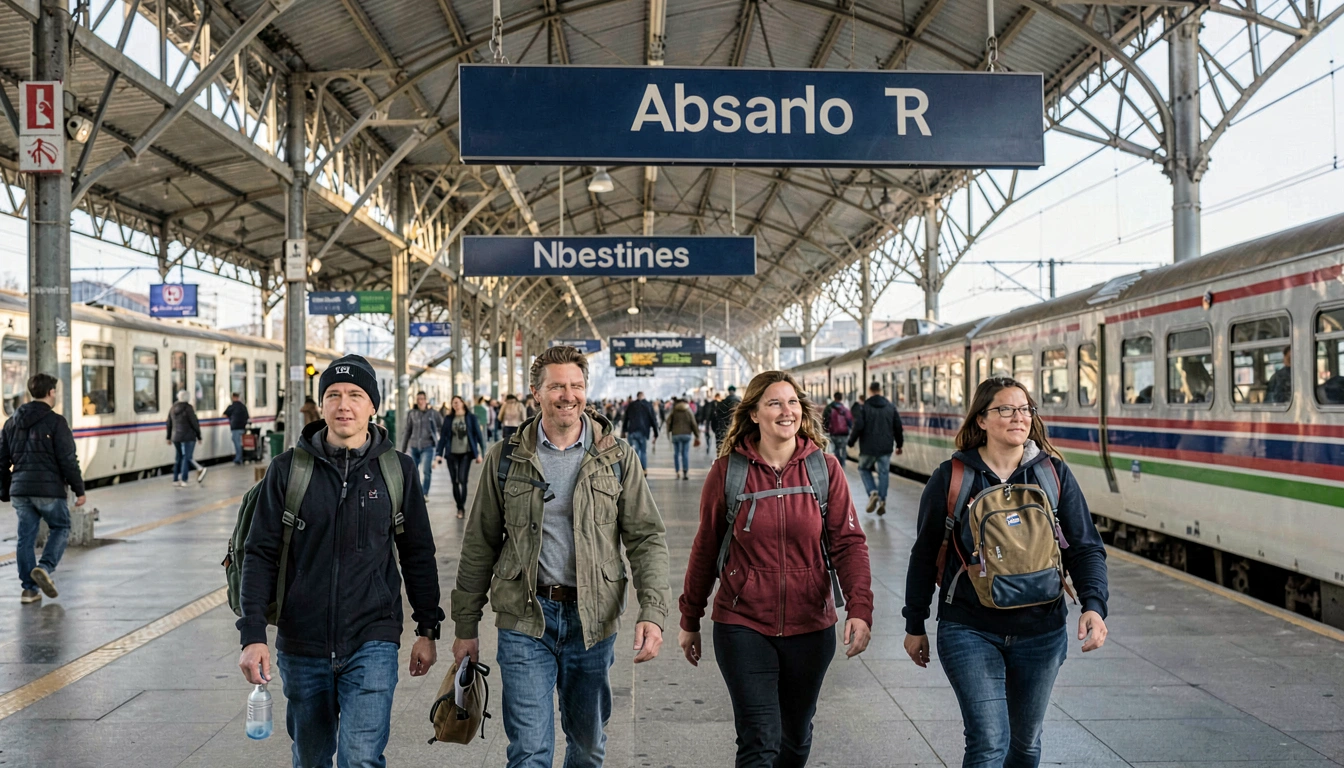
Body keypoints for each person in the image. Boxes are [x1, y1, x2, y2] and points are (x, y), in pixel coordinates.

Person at [452, 345, 669, 768]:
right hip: (524, 618)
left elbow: (646, 538)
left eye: (576, 385)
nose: (567, 395)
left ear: (586, 390)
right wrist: (466, 626)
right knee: (529, 749)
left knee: (587, 746)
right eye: (556, 386)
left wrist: (653, 611)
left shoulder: (617, 457)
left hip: (593, 619)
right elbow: (479, 544)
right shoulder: (505, 458)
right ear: (537, 392)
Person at [237, 354, 443, 768]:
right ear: (322, 404)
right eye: (333, 394)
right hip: (302, 642)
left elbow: (417, 552)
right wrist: (253, 634)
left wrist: (427, 627)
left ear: (373, 406)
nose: (343, 404)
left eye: (355, 394)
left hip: (373, 637)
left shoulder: (397, 470)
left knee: (360, 758)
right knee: (311, 759)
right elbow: (258, 554)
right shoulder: (286, 470)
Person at [902, 376, 1109, 768]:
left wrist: (1094, 605)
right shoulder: (952, 477)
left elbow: (1086, 548)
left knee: (1026, 744)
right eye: (1005, 409)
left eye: (1025, 409)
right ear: (981, 419)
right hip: (969, 627)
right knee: (988, 742)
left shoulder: (1053, 474)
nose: (1019, 417)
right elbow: (924, 553)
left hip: (1041, 631)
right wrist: (915, 623)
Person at [679, 371, 873, 768]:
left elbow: (848, 544)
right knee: (759, 738)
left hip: (811, 624)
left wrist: (859, 608)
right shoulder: (728, 472)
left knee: (795, 737)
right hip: (743, 623)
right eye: (774, 403)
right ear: (753, 414)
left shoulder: (824, 470)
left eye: (793, 403)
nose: (787, 411)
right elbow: (706, 547)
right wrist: (690, 617)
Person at [0, 373, 86, 604]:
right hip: (48, 489)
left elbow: (1, 460)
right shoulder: (57, 422)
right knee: (61, 525)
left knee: (25, 537)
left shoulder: (11, 423)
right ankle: (45, 567)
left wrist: (5, 489)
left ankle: (29, 590)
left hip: (20, 489)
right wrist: (79, 490)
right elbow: (68, 459)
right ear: (51, 393)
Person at [848, 381, 903, 516]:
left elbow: (858, 426)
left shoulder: (865, 407)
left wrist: (851, 441)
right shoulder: (890, 407)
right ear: (880, 390)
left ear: (869, 390)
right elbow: (898, 427)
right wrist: (899, 445)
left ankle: (873, 492)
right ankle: (882, 500)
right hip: (886, 447)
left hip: (868, 447)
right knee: (883, 473)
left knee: (863, 468)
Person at [436, 395, 484, 519]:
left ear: (463, 403)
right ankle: (460, 507)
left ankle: (461, 505)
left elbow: (478, 436)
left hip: (466, 453)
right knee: (455, 481)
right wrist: (438, 454)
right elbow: (443, 437)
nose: (455, 405)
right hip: (451, 453)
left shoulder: (471, 418)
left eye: (457, 402)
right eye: (453, 403)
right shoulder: (448, 418)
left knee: (463, 479)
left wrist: (480, 454)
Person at [400, 390, 444, 495]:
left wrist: (440, 447)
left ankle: (424, 493)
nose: (420, 401)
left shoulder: (433, 413)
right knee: (414, 472)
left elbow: (442, 427)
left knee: (426, 471)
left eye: (422, 399)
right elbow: (407, 431)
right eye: (418, 399)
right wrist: (403, 449)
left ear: (426, 400)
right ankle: (417, 492)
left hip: (428, 447)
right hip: (414, 446)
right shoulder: (412, 414)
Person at [167, 390, 206, 487]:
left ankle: (175, 479)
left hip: (176, 437)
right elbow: (194, 423)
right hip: (188, 437)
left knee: (179, 457)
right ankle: (184, 480)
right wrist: (199, 436)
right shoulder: (189, 408)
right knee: (186, 457)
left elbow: (169, 423)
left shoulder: (173, 408)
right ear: (188, 398)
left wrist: (168, 437)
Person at [621, 391, 660, 469]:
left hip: (632, 431)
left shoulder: (631, 405)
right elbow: (653, 420)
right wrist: (656, 434)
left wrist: (624, 431)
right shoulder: (648, 405)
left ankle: (636, 469)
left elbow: (625, 419)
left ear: (637, 396)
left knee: (635, 451)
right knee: (643, 451)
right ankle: (643, 470)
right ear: (644, 396)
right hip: (643, 431)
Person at [664, 396, 698, 481]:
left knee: (676, 453)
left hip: (676, 434)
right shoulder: (688, 411)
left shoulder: (674, 411)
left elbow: (668, 422)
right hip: (686, 434)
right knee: (685, 453)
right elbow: (693, 423)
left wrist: (668, 433)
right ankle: (685, 472)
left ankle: (677, 472)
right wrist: (697, 435)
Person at [820, 391, 853, 469]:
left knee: (836, 448)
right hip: (844, 433)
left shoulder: (829, 408)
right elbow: (849, 420)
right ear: (841, 398)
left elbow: (825, 419)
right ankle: (843, 463)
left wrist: (826, 429)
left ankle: (839, 462)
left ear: (834, 398)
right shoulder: (845, 409)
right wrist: (850, 429)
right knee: (844, 448)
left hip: (834, 432)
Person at [224, 392, 250, 465]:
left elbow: (224, 414)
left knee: (236, 442)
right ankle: (240, 457)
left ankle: (238, 458)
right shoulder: (243, 406)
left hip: (235, 427)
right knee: (240, 442)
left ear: (233, 397)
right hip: (242, 427)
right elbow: (247, 416)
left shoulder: (232, 406)